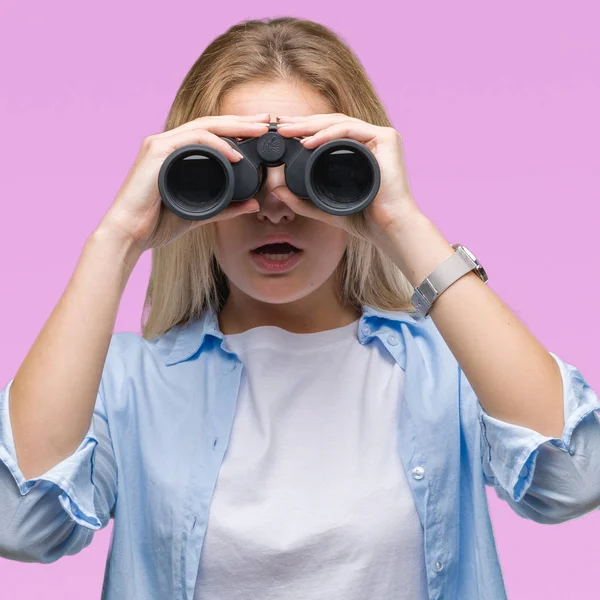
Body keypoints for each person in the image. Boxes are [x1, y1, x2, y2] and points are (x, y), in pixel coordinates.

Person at [0, 16, 599, 600]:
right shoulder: (129, 385)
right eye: (237, 170)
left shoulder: (450, 368)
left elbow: (575, 478)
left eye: (316, 169)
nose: (275, 208)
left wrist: (400, 223)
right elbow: (20, 525)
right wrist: (118, 238)